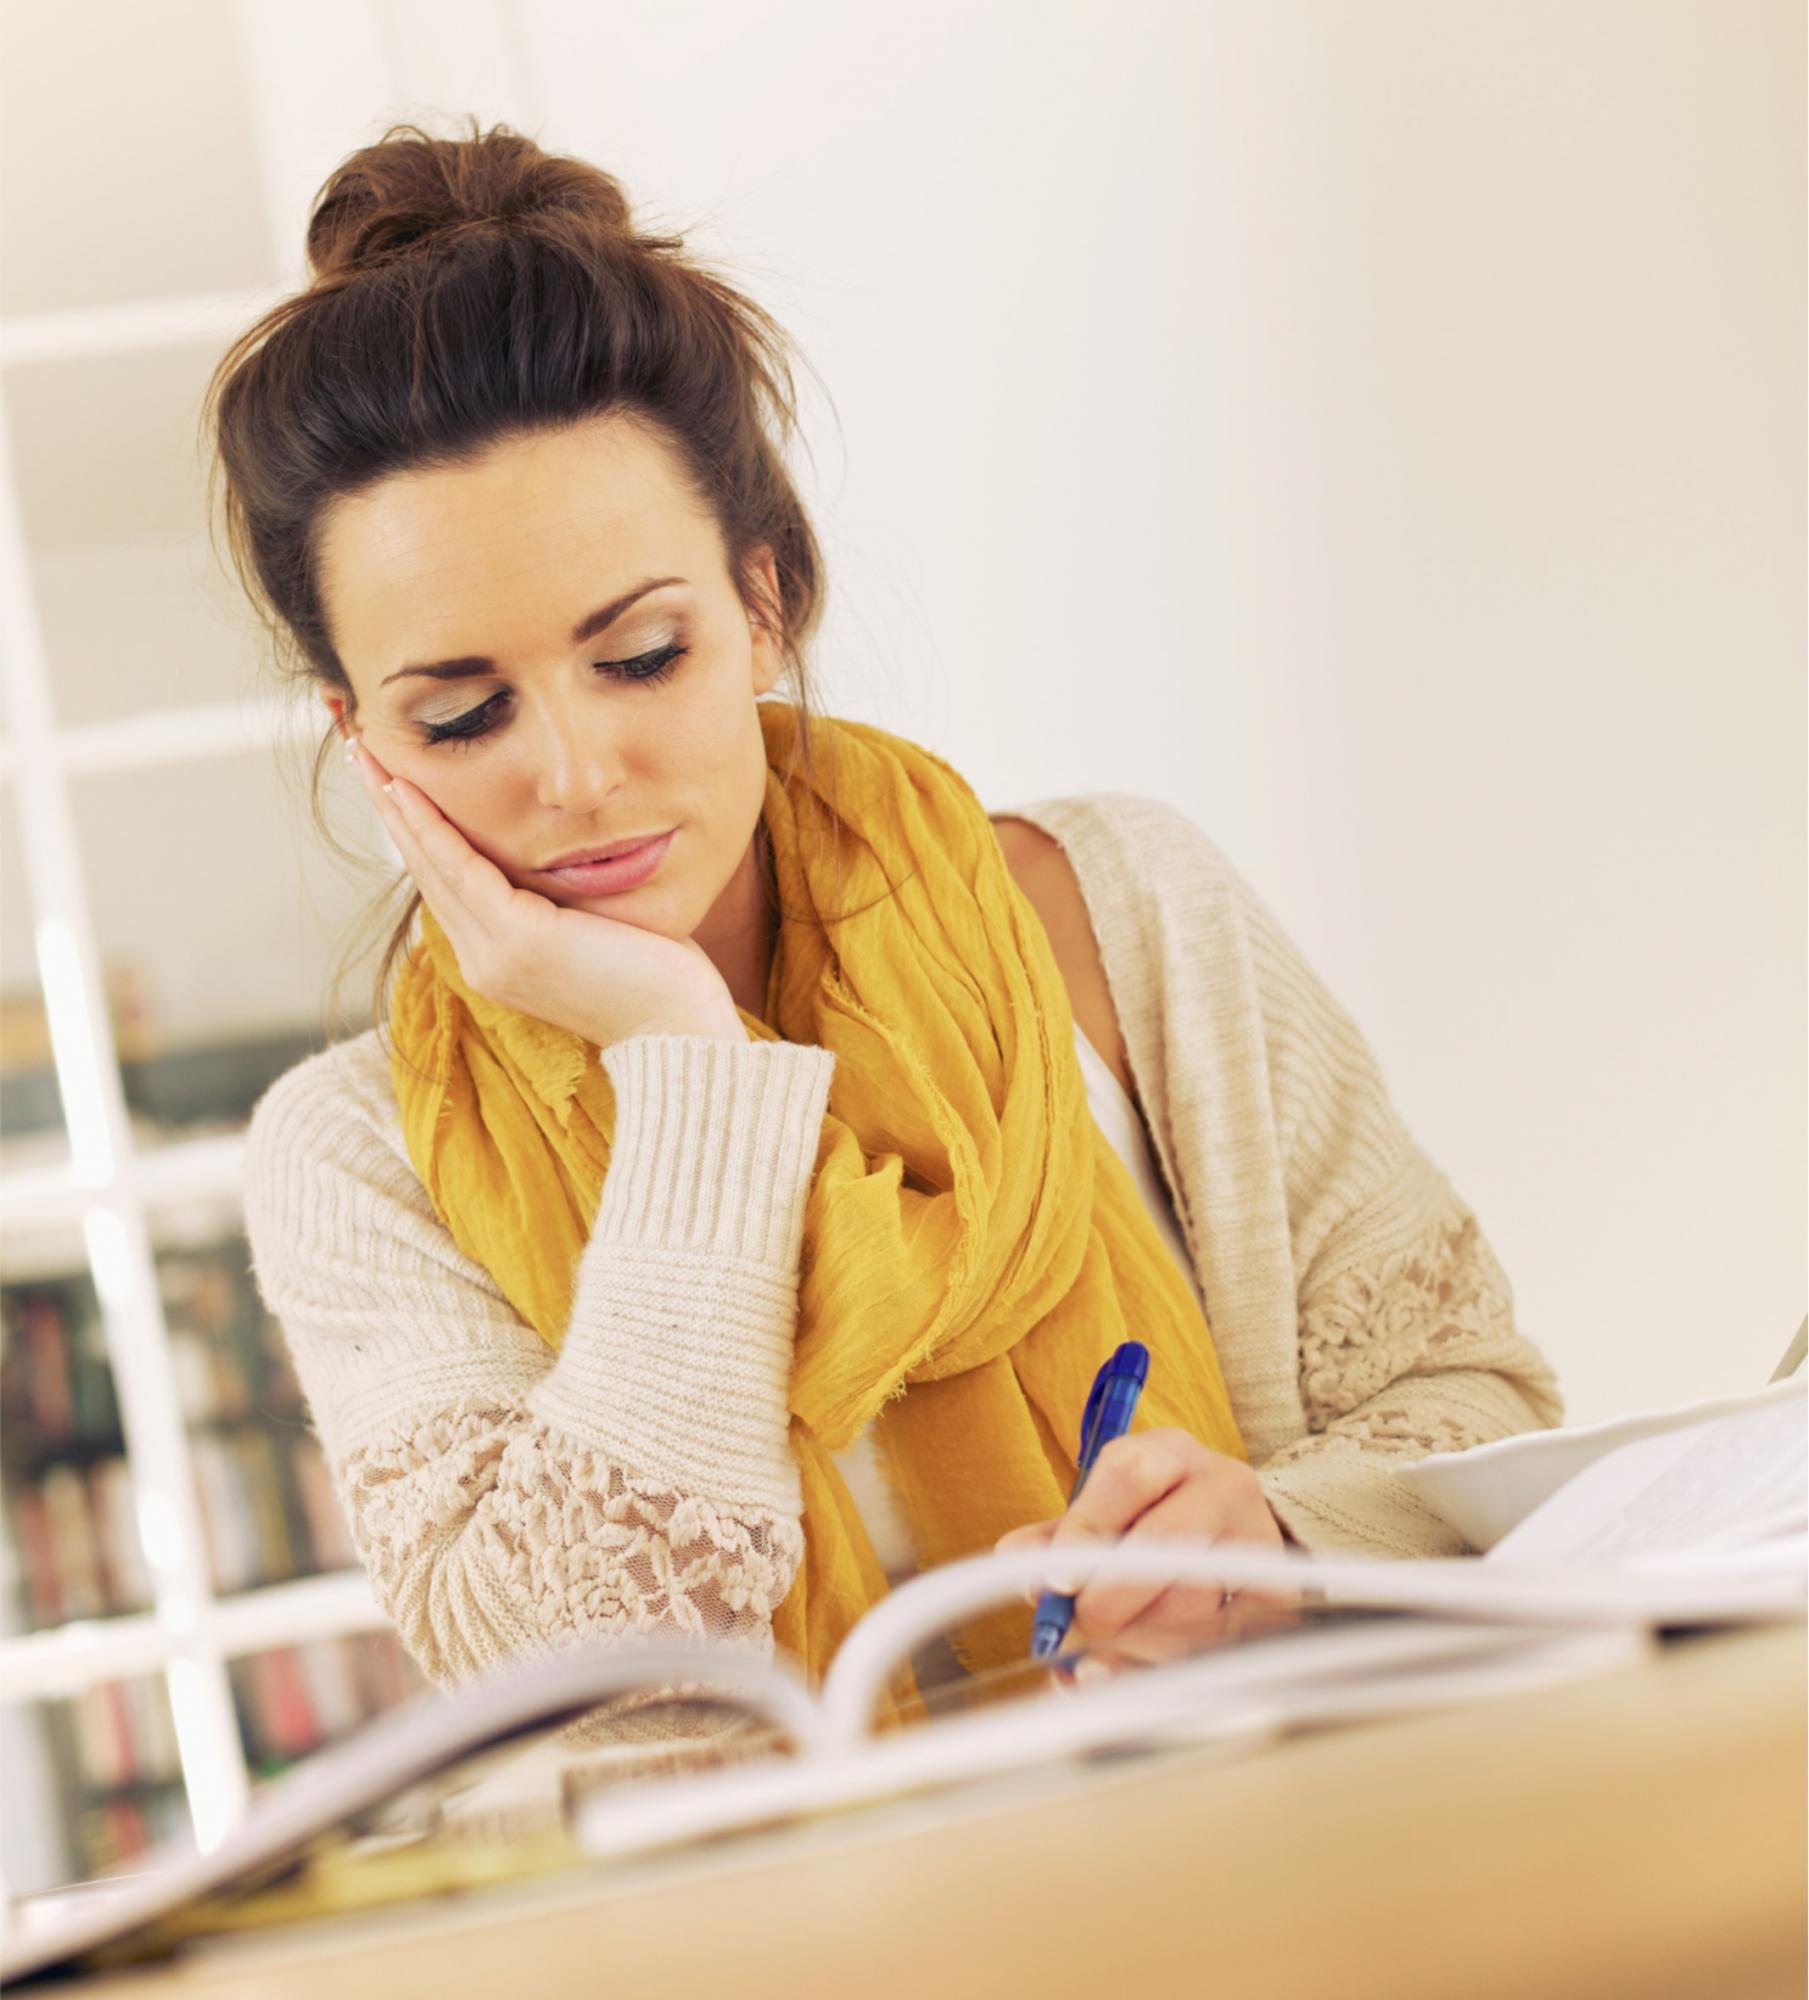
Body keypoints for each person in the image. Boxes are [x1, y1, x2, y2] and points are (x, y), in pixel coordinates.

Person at [216, 118, 1561, 1715]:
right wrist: (680, 1062)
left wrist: (1275, 1539)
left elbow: (1473, 1407)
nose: (574, 773)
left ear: (764, 601)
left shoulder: (1121, 913)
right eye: (459, 717)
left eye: (640, 656)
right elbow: (579, 1681)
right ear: (359, 736)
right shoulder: (362, 1156)